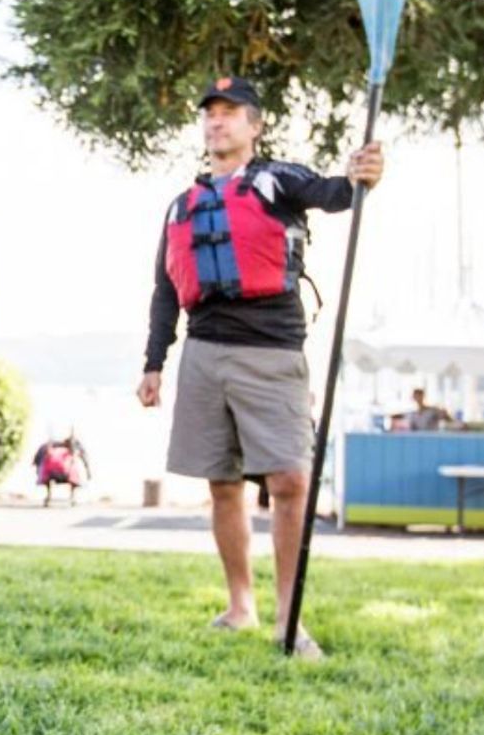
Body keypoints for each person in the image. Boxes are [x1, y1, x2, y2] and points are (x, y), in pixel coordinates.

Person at [136, 75, 383, 659]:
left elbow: (335, 193)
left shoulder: (277, 179)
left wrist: (360, 173)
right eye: (211, 114)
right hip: (203, 350)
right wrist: (154, 362)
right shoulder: (182, 204)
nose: (217, 121)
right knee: (222, 484)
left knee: (289, 480)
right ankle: (240, 605)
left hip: (271, 347)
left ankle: (287, 619)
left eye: (230, 113)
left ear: (255, 124)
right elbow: (165, 290)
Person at [33, 432, 88, 506]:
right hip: (63, 472)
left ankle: (49, 496)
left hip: (54, 472)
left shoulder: (48, 447)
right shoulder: (52, 448)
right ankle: (72, 497)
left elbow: (37, 460)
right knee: (74, 467)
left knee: (73, 465)